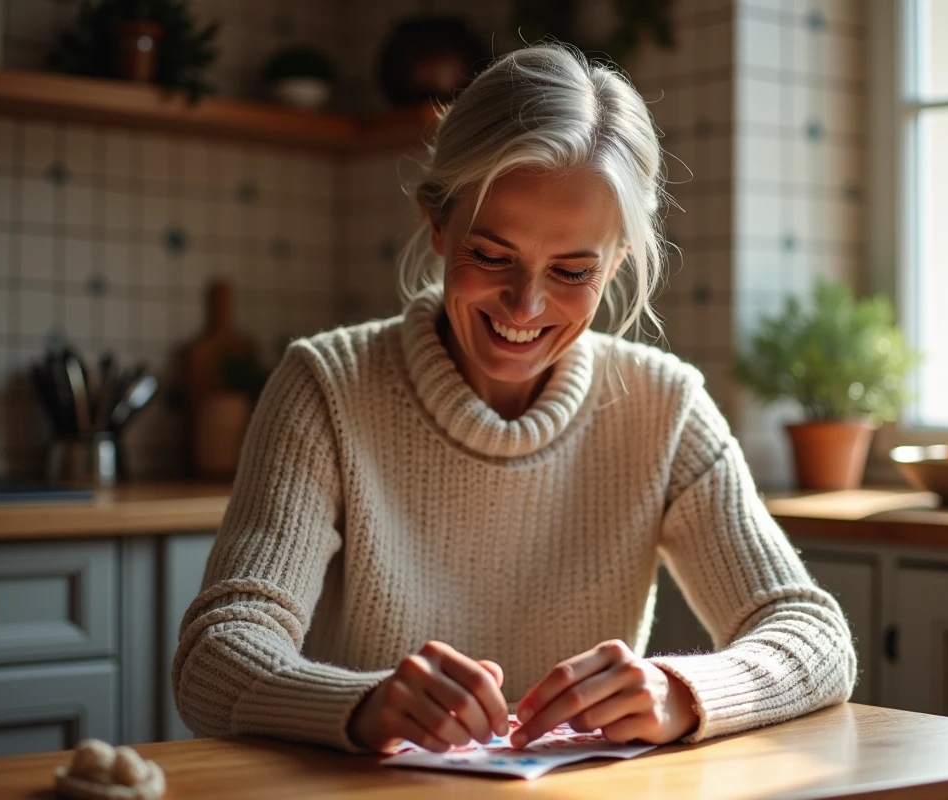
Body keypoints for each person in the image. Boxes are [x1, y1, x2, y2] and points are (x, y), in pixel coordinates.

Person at [172, 43, 856, 755]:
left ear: (617, 261)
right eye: (492, 256)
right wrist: (361, 706)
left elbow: (814, 637)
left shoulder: (665, 406)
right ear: (438, 223)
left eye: (572, 269)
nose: (525, 306)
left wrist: (680, 693)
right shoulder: (327, 387)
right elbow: (213, 659)